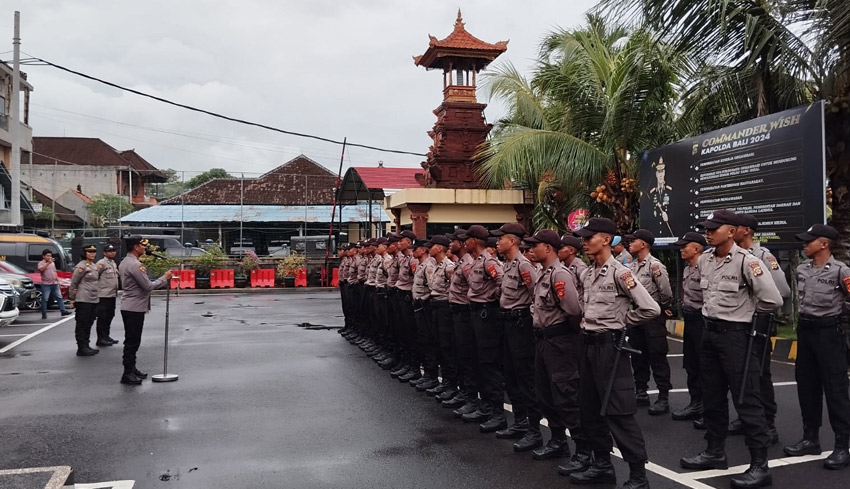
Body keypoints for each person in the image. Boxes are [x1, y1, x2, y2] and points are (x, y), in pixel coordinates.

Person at [679, 210, 782, 489]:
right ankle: (714, 452)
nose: (708, 232)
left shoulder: (748, 262)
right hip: (709, 335)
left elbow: (772, 299)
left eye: (714, 228)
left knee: (747, 400)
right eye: (705, 228)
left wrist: (747, 316)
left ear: (733, 231)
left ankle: (760, 466)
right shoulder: (705, 260)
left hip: (737, 336)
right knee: (712, 396)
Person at [571, 218, 658, 488]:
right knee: (589, 410)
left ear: (606, 239)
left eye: (589, 237)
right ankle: (602, 465)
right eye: (583, 238)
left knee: (618, 411)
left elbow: (650, 308)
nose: (584, 242)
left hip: (611, 349)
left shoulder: (621, 273)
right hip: (587, 346)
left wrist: (622, 322)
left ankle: (637, 475)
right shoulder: (587, 273)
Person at [783, 224, 850, 470]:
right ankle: (810, 438)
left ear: (824, 244)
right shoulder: (802, 269)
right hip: (806, 332)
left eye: (809, 241)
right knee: (807, 386)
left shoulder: (841, 271)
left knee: (836, 390)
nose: (804, 244)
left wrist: (840, 315)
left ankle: (842, 447)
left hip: (829, 333)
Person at [523, 229, 588, 470]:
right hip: (543, 341)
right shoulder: (543, 273)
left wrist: (565, 337)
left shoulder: (560, 274)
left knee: (566, 395)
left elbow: (572, 310)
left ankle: (583, 450)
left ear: (548, 248)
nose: (530, 250)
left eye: (535, 245)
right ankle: (558, 440)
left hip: (559, 343)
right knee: (545, 395)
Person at [730, 213, 790, 444]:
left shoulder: (763, 256)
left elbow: (782, 291)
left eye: (735, 227)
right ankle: (746, 417)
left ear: (746, 230)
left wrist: (756, 301)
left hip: (759, 320)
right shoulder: (733, 255)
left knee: (760, 373)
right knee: (740, 371)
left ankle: (768, 422)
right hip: (738, 321)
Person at [491, 223, 542, 453]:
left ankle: (534, 430)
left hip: (521, 324)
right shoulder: (509, 265)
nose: (497, 242)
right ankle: (520, 422)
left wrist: (528, 320)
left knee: (525, 378)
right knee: (510, 375)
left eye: (500, 239)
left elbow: (536, 296)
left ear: (512, 241)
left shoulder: (524, 265)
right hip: (506, 323)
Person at [461, 225, 507, 433]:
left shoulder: (489, 260)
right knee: (478, 361)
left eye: (468, 239)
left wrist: (491, 300)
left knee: (489, 363)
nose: (465, 242)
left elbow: (502, 282)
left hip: (487, 315)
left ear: (476, 241)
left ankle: (497, 412)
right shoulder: (478, 261)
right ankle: (486, 405)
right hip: (476, 313)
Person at [624, 229, 673, 414]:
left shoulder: (655, 266)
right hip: (637, 317)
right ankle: (641, 392)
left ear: (643, 244)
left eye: (633, 240)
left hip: (652, 318)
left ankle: (663, 397)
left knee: (657, 355)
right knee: (638, 355)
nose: (630, 243)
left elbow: (666, 292)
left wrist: (660, 307)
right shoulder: (632, 267)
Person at [119, 236, 172, 386]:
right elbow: (148, 286)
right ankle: (127, 373)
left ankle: (132, 368)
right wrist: (164, 278)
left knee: (133, 340)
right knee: (132, 341)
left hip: (131, 306)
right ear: (136, 247)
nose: (145, 249)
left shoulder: (125, 262)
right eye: (143, 246)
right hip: (134, 307)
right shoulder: (135, 265)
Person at [670, 232, 707, 423]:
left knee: (705, 366)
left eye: (686, 246)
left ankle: (708, 408)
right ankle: (695, 403)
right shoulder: (687, 269)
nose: (682, 249)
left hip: (703, 321)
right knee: (691, 363)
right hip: (690, 320)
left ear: (697, 248)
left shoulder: (707, 268)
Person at [446, 229, 478, 414]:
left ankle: (471, 396)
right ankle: (463, 391)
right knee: (457, 353)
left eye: (455, 240)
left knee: (467, 356)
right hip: (456, 312)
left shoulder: (468, 264)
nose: (451, 243)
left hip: (465, 313)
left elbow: (475, 288)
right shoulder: (460, 263)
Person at [425, 235, 459, 400]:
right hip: (435, 306)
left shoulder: (448, 266)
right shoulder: (438, 266)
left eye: (432, 246)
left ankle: (450, 384)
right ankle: (445, 382)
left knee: (446, 347)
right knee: (438, 345)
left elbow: (454, 290)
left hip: (445, 308)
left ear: (439, 248)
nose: (429, 248)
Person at [411, 239, 439, 391]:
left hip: (425, 306)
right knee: (422, 339)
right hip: (419, 306)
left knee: (428, 340)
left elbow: (432, 287)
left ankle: (432, 375)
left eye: (415, 249)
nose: (413, 251)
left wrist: (425, 303)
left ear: (422, 250)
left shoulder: (428, 265)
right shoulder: (422, 265)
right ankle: (428, 374)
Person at [69, 245, 101, 356]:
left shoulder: (94, 266)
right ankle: (81, 347)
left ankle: (86, 345)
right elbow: (74, 283)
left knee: (89, 322)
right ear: (85, 253)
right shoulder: (81, 267)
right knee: (82, 323)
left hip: (93, 299)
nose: (93, 254)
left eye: (94, 252)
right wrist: (72, 298)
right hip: (83, 298)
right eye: (90, 252)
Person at [95, 244, 120, 347]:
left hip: (111, 294)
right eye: (109, 251)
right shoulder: (101, 263)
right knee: (102, 317)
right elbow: (95, 276)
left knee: (110, 316)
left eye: (113, 251)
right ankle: (101, 338)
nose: (112, 253)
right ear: (105, 253)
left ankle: (106, 336)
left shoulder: (113, 263)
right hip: (103, 295)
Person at [37, 249, 71, 319]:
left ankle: (63, 310)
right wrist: (48, 263)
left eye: (50, 256)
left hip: (54, 283)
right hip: (46, 284)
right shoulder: (41, 263)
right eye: (47, 256)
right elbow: (41, 270)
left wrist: (57, 280)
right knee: (45, 299)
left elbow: (54, 271)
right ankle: (44, 314)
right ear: (43, 256)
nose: (49, 257)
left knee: (59, 297)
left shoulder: (52, 263)